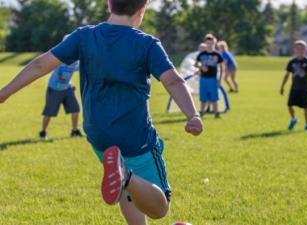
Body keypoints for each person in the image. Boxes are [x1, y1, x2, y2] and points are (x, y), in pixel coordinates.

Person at [0, 0, 203, 224]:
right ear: (142, 10)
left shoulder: (84, 36)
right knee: (159, 208)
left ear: (108, 5)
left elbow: (40, 65)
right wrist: (193, 115)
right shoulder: (146, 44)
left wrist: (5, 92)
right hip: (136, 139)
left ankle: (124, 175)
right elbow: (173, 81)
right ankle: (125, 174)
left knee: (126, 184)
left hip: (99, 136)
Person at [280, 40, 307, 131]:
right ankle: (293, 119)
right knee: (289, 105)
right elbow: (287, 75)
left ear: (305, 49)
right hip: (294, 88)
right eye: (298, 48)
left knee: (306, 107)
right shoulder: (292, 62)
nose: (300, 50)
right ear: (294, 49)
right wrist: (282, 86)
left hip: (304, 88)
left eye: (302, 48)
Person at [40, 57, 83, 140]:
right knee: (49, 112)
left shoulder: (76, 62)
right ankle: (43, 132)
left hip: (67, 88)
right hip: (54, 88)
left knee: (75, 109)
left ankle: (75, 131)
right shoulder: (61, 59)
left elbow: (83, 66)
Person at [195, 34, 225, 118]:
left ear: (214, 43)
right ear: (205, 43)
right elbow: (196, 64)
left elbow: (222, 67)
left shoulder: (217, 54)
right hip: (203, 79)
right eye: (208, 43)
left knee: (214, 97)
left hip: (213, 79)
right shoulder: (202, 54)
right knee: (203, 97)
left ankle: (216, 113)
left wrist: (220, 79)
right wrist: (201, 67)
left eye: (211, 43)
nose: (209, 45)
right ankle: (202, 113)